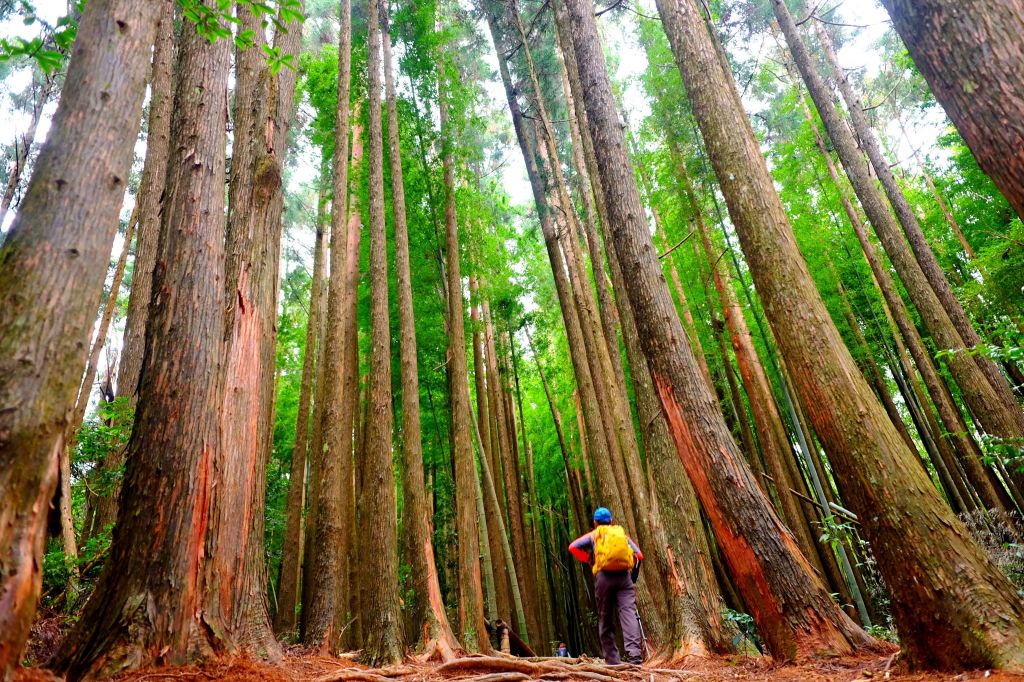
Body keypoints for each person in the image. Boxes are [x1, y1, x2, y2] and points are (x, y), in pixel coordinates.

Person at [568, 507, 644, 665]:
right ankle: (635, 658)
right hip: (624, 578)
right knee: (629, 615)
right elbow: (639, 555)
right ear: (611, 521)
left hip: (604, 578)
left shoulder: (594, 535)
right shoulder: (621, 535)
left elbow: (572, 547)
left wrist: (588, 559)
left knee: (605, 618)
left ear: (595, 523)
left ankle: (612, 661)